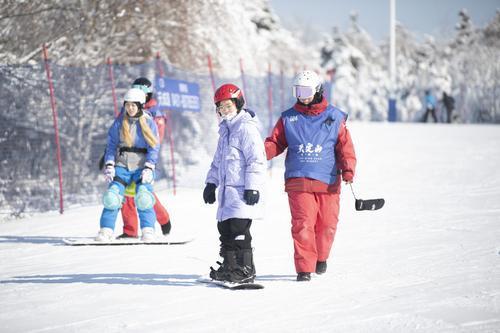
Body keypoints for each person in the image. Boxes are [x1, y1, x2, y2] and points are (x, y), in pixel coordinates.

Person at [264, 70, 356, 282]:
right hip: (299, 180)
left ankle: (321, 257)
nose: (301, 96)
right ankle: (304, 268)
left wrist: (348, 169)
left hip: (328, 181)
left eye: (305, 91)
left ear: (316, 91)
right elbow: (276, 142)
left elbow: (345, 148)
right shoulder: (289, 118)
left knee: (327, 225)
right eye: (297, 91)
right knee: (303, 224)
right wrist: (261, 153)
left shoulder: (335, 117)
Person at [203, 83, 266, 284]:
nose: (224, 111)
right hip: (226, 194)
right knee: (225, 229)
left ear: (238, 104)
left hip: (242, 193)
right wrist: (211, 184)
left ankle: (245, 268)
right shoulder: (225, 131)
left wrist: (253, 187)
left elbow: (256, 159)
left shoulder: (245, 129)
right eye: (220, 107)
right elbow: (218, 161)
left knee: (239, 229)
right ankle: (230, 266)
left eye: (228, 106)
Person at [96, 88, 160, 242]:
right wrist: (110, 164)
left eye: (134, 105)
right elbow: (111, 145)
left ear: (140, 105)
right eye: (128, 105)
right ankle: (105, 230)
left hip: (142, 165)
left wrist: (150, 167)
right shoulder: (119, 122)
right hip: (122, 164)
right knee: (112, 196)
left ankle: (148, 230)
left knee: (144, 196)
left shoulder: (148, 122)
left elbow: (154, 147)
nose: (130, 108)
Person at [117, 77, 172, 238]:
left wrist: (148, 158)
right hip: (126, 156)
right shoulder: (128, 107)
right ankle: (130, 230)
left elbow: (157, 138)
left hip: (144, 157)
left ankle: (163, 218)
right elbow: (118, 130)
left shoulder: (154, 112)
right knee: (126, 192)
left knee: (143, 193)